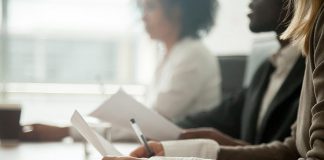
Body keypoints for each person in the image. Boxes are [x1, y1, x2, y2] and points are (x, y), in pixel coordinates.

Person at [103, 0, 324, 160]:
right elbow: (289, 150)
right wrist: (175, 148)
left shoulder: (316, 35)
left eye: (151, 7)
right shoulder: (266, 69)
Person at [175, 0, 303, 146]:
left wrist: (226, 149)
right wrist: (168, 130)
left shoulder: (312, 73)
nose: (250, 4)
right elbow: (222, 114)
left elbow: (291, 153)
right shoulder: (266, 69)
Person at [142, 0, 221, 122]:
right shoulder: (170, 55)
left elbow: (155, 117)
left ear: (176, 11)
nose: (143, 17)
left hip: (189, 139)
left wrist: (105, 129)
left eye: (151, 7)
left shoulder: (194, 54)